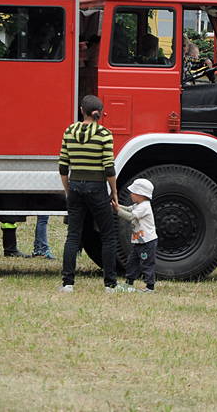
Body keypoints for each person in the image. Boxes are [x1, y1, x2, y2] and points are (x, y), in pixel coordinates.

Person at [58, 94, 122, 293]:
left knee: (73, 236)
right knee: (108, 236)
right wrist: (114, 192)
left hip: (76, 185)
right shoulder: (104, 134)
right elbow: (109, 168)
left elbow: (63, 166)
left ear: (81, 110)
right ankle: (110, 284)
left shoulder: (69, 131)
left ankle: (68, 283)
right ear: (100, 113)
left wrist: (68, 189)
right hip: (97, 187)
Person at [116, 178, 158, 293]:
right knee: (132, 262)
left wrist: (117, 210)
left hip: (147, 242)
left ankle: (150, 287)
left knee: (147, 264)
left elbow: (130, 217)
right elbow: (128, 209)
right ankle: (128, 283)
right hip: (139, 241)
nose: (131, 194)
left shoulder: (145, 206)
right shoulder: (138, 205)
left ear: (141, 195)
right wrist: (117, 206)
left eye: (133, 192)